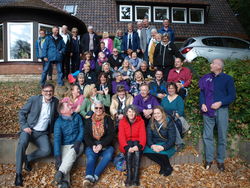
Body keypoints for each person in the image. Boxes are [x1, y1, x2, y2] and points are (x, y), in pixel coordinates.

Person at [15, 83, 59, 186]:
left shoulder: (55, 102)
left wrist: (55, 130)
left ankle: (27, 158)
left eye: (50, 91)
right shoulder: (34, 99)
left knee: (47, 150)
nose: (48, 93)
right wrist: (24, 126)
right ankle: (18, 174)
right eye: (46, 91)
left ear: (53, 92)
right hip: (29, 130)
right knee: (22, 144)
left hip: (42, 133)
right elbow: (22, 113)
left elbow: (56, 117)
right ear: (42, 92)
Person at [199, 58, 236, 171]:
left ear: (219, 66)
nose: (211, 64)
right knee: (207, 136)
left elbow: (232, 96)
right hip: (207, 111)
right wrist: (202, 103)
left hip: (222, 111)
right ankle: (209, 160)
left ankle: (220, 161)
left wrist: (220, 103)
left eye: (213, 63)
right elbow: (202, 93)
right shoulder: (206, 78)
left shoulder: (228, 79)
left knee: (222, 137)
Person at [83, 101, 115, 187]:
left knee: (108, 155)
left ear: (103, 109)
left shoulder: (108, 119)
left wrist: (101, 145)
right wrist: (93, 145)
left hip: (105, 145)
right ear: (94, 108)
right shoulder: (88, 120)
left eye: (100, 108)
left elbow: (111, 135)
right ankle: (88, 175)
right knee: (90, 157)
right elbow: (86, 136)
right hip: (93, 144)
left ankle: (95, 176)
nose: (98, 109)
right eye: (96, 108)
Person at [53, 101, 84, 188]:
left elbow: (82, 130)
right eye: (68, 106)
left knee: (72, 151)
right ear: (62, 111)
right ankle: (64, 183)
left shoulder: (77, 116)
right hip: (65, 145)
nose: (71, 106)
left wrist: (78, 141)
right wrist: (57, 155)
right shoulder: (58, 122)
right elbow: (57, 140)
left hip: (78, 144)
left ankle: (60, 172)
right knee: (65, 161)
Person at [118, 105, 146, 186]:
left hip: (137, 142)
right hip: (126, 143)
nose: (131, 114)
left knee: (137, 152)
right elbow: (121, 136)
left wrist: (140, 146)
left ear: (136, 113)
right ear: (126, 113)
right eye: (129, 111)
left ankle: (136, 177)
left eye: (133, 112)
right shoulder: (122, 121)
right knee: (129, 152)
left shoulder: (141, 121)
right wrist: (126, 147)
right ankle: (129, 176)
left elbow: (143, 135)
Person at [144, 106, 176, 176]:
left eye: (158, 113)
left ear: (162, 113)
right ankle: (162, 165)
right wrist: (152, 145)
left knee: (162, 152)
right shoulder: (151, 121)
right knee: (145, 151)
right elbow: (148, 137)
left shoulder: (169, 121)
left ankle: (168, 167)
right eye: (154, 113)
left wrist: (163, 147)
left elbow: (172, 139)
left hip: (166, 143)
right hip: (155, 143)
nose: (156, 115)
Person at [161, 82, 185, 150]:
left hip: (177, 118)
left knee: (171, 123)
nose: (170, 90)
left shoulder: (179, 98)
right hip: (166, 118)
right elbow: (161, 110)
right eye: (169, 88)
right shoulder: (164, 99)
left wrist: (173, 116)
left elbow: (180, 111)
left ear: (175, 89)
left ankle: (179, 142)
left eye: (172, 88)